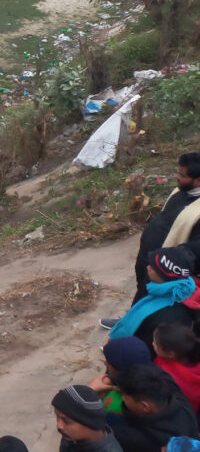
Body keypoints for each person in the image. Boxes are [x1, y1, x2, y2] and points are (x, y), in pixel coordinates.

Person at [123, 153, 200, 310]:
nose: (177, 177)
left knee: (154, 300)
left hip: (164, 266)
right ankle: (131, 318)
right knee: (142, 290)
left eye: (182, 175)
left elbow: (192, 252)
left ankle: (141, 329)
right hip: (149, 256)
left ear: (198, 180)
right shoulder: (180, 192)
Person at [108, 247, 196, 353]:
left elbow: (149, 348)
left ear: (165, 275)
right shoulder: (168, 289)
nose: (148, 267)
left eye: (153, 267)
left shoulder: (168, 316)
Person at [111, 363, 199, 452]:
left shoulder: (136, 438)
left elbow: (101, 433)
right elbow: (158, 373)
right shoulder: (182, 404)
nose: (122, 398)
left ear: (144, 406)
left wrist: (96, 392)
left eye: (124, 396)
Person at [90, 337, 154, 422]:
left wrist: (90, 391)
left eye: (109, 362)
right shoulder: (153, 374)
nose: (105, 363)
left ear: (118, 370)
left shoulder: (114, 409)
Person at [52, 384, 124, 451]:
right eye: (57, 417)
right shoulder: (71, 437)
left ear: (89, 422)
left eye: (67, 421)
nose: (59, 426)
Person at [153, 323, 200, 413]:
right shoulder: (190, 349)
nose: (153, 344)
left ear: (171, 354)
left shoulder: (168, 377)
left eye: (156, 344)